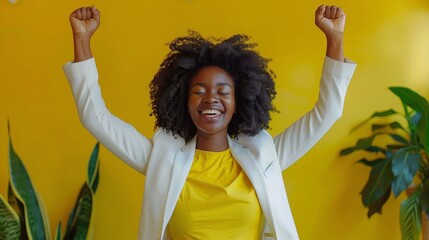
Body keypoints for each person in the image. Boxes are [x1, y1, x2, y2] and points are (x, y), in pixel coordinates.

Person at [63, 4, 356, 240]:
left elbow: (326, 113)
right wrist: (81, 40)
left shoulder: (264, 154)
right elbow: (96, 118)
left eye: (222, 92)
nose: (210, 99)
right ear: (182, 100)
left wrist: (335, 39)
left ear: (238, 101)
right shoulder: (162, 158)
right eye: (198, 91)